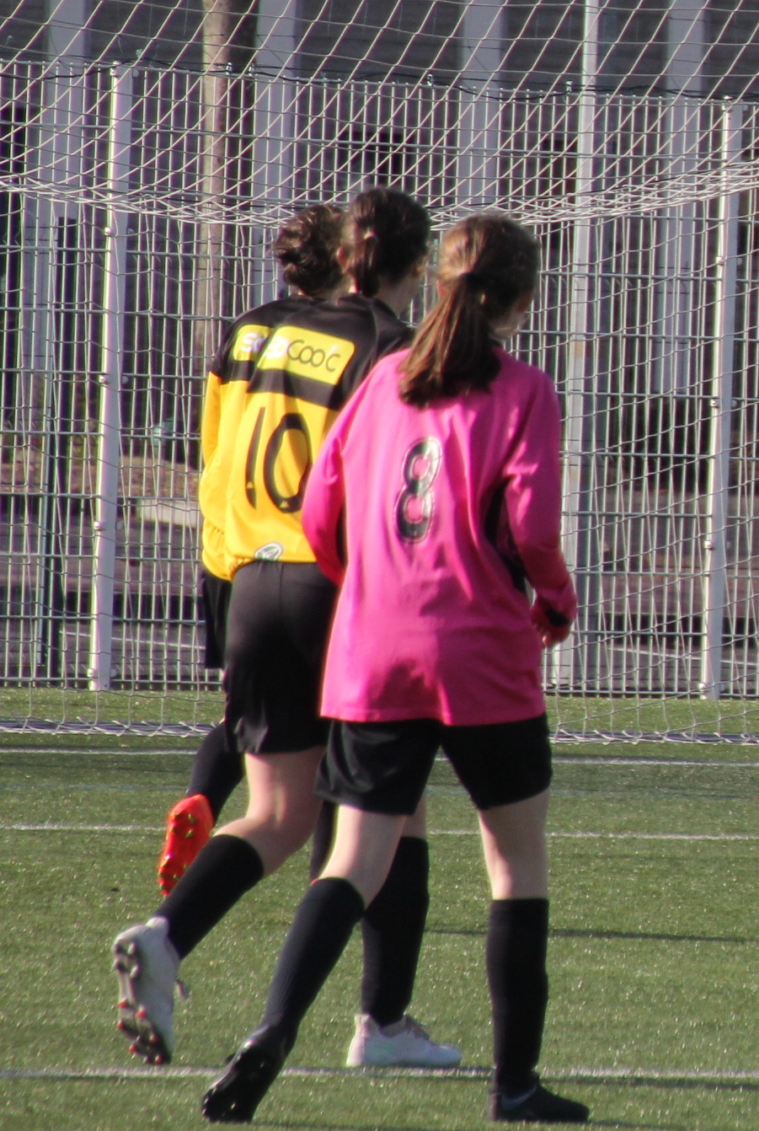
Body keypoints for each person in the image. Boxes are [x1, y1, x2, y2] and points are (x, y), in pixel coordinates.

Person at [203, 213, 587, 1124]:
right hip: (480, 652)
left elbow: (323, 507)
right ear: (522, 299)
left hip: (373, 652)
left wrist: (366, 588)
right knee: (515, 864)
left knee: (353, 860)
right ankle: (516, 1086)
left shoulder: (383, 381)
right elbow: (530, 526)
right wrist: (556, 605)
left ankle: (273, 1029)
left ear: (444, 280)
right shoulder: (523, 389)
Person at [113, 190, 456, 1073]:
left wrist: (223, 593)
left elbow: (216, 470)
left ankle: (165, 935)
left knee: (275, 811)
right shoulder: (389, 345)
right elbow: (386, 485)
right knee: (396, 806)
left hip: (250, 576)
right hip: (337, 585)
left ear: (345, 252)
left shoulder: (251, 332)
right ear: (411, 268)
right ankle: (383, 1024)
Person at [162, 205, 348, 896]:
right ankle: (332, 882)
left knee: (247, 715)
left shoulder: (242, 334)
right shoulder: (355, 338)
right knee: (333, 735)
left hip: (233, 547)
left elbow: (212, 445)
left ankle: (204, 794)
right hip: (310, 556)